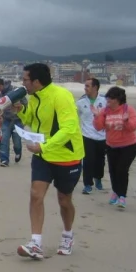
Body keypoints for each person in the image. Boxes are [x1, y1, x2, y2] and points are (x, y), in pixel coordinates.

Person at [14, 63, 84, 260]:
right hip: (43, 156)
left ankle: (68, 235)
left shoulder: (61, 96)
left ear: (36, 81)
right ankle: (35, 243)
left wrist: (44, 146)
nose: (23, 83)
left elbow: (69, 128)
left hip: (66, 156)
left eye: (25, 80)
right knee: (36, 195)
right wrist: (21, 110)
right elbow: (33, 121)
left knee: (64, 200)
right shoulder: (34, 97)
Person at [93, 87, 136, 209]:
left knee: (121, 170)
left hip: (129, 146)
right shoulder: (105, 111)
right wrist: (97, 116)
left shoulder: (128, 110)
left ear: (118, 99)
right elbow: (98, 127)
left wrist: (126, 121)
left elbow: (133, 127)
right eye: (107, 97)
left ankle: (122, 196)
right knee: (113, 171)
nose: (108, 100)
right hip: (111, 146)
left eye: (111, 98)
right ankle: (115, 192)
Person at [77, 78, 108, 194]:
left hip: (102, 136)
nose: (85, 88)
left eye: (87, 86)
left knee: (100, 161)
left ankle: (98, 178)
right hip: (87, 135)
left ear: (95, 87)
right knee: (88, 160)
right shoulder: (81, 102)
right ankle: (87, 184)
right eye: (85, 86)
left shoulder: (105, 100)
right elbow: (74, 116)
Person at [0, 78, 27, 166]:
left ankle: (18, 152)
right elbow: (0, 107)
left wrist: (20, 106)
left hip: (18, 121)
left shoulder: (16, 91)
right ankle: (4, 160)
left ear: (2, 85)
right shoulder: (1, 95)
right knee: (4, 140)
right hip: (6, 121)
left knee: (17, 141)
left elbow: (26, 104)